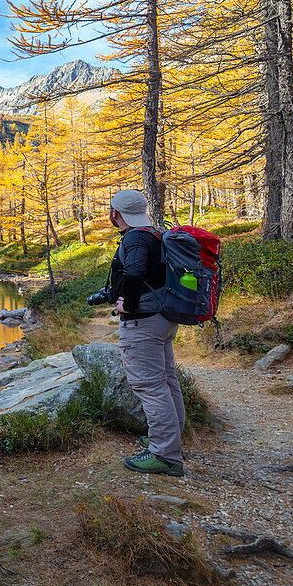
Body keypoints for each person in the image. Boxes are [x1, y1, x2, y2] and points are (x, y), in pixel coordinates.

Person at [108, 189, 185, 477]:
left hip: (144, 323)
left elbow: (135, 272)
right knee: (166, 381)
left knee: (150, 387)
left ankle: (165, 455)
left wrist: (125, 304)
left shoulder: (135, 238)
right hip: (162, 319)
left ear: (116, 213)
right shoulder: (153, 233)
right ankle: (170, 440)